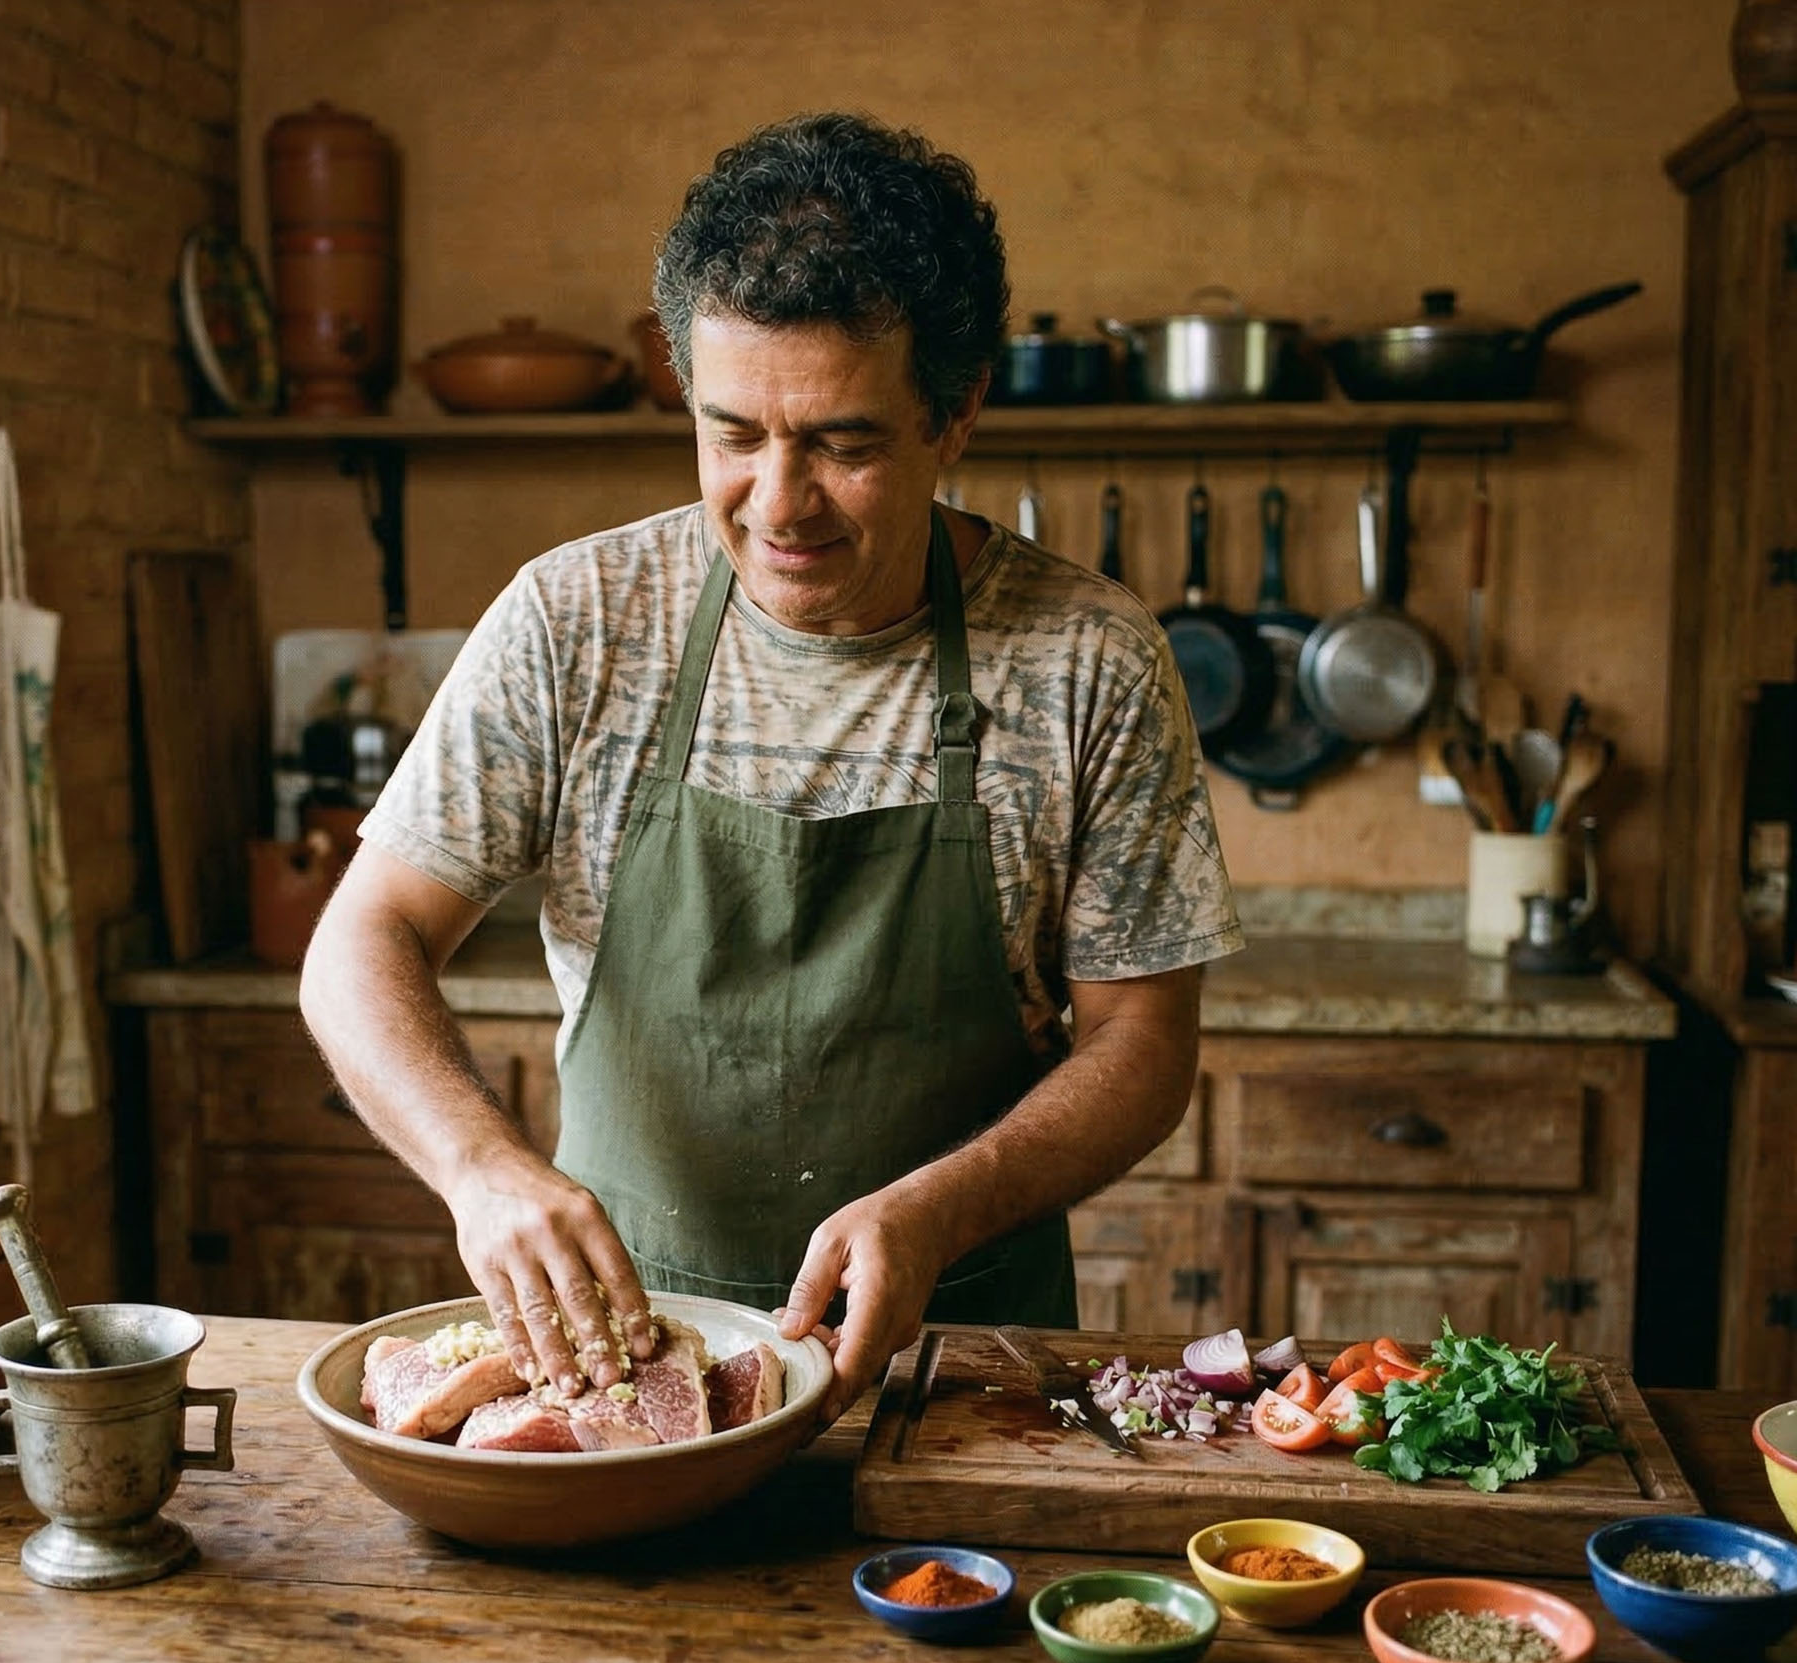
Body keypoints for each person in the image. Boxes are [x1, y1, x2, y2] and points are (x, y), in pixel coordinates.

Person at [301, 112, 1240, 1424]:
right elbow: (365, 938)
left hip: (951, 1356)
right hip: (626, 1349)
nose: (778, 502)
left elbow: (1143, 1041)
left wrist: (936, 1210)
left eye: (844, 444)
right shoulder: (579, 619)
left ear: (956, 411)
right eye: (732, 433)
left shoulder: (1087, 656)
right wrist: (480, 1171)